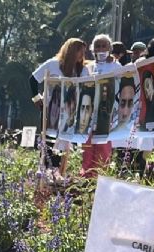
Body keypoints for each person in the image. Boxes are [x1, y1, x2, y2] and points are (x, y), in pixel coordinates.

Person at [31, 38, 87, 170]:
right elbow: (33, 79)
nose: (82, 56)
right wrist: (36, 98)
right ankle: (46, 176)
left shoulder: (81, 70)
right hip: (50, 111)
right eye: (80, 52)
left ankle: (60, 178)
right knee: (49, 145)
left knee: (64, 148)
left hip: (70, 114)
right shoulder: (52, 64)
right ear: (72, 51)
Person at [82, 34, 122, 177]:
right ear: (93, 49)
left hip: (107, 115)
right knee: (86, 151)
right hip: (88, 115)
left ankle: (99, 183)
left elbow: (121, 87)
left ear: (109, 48)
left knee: (103, 152)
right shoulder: (87, 67)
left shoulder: (116, 66)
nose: (100, 49)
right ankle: (84, 182)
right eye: (97, 46)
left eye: (103, 46)